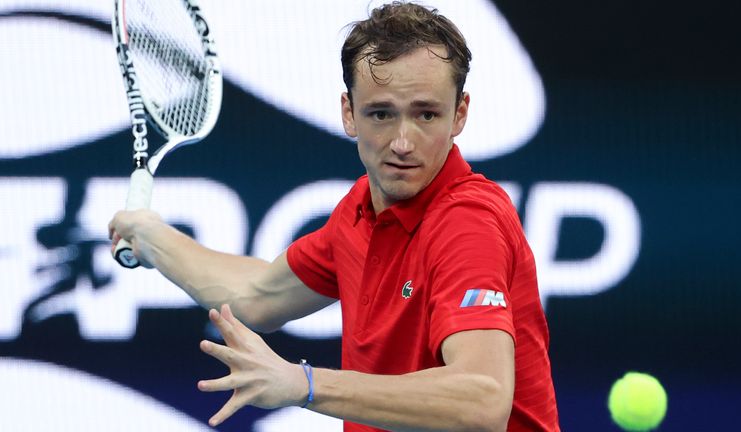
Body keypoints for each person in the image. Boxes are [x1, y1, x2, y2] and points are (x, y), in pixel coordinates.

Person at [109, 2, 559, 431]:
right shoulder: (360, 211)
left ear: (459, 114)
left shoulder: (467, 224)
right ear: (349, 114)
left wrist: (304, 385)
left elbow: (482, 400)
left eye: (426, 114)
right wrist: (153, 239)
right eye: (381, 114)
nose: (403, 142)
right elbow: (259, 295)